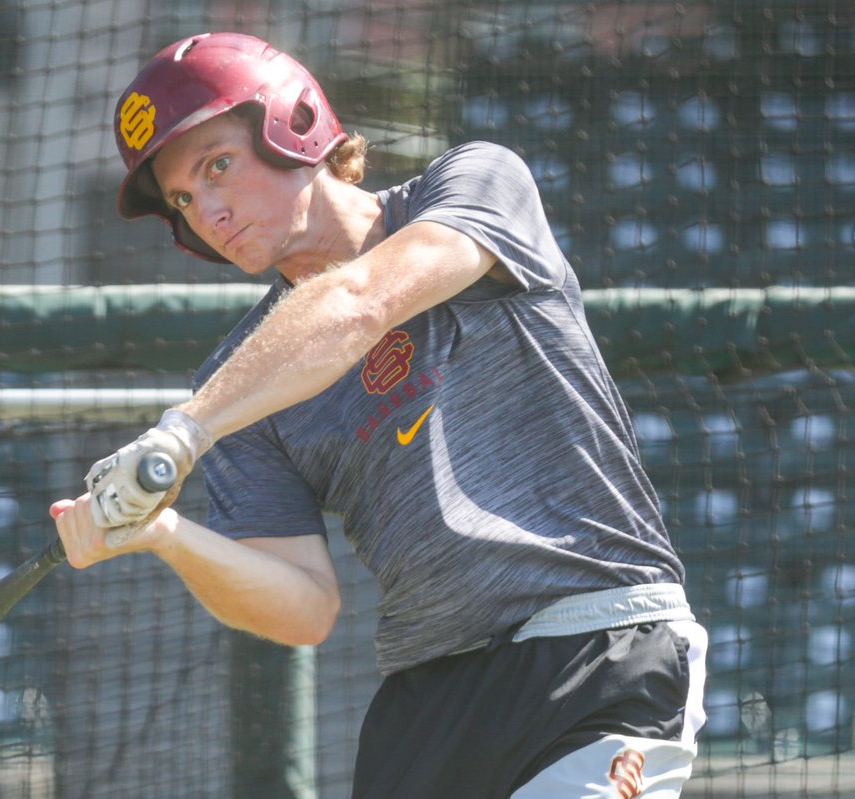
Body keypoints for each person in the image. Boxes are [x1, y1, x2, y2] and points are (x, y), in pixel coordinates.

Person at [51, 31, 708, 799]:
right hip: (427, 703)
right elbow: (303, 607)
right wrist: (164, 533)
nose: (210, 213)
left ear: (295, 125)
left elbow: (358, 302)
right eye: (186, 200)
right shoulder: (239, 389)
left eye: (218, 165)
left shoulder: (476, 183)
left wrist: (184, 432)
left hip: (599, 650)